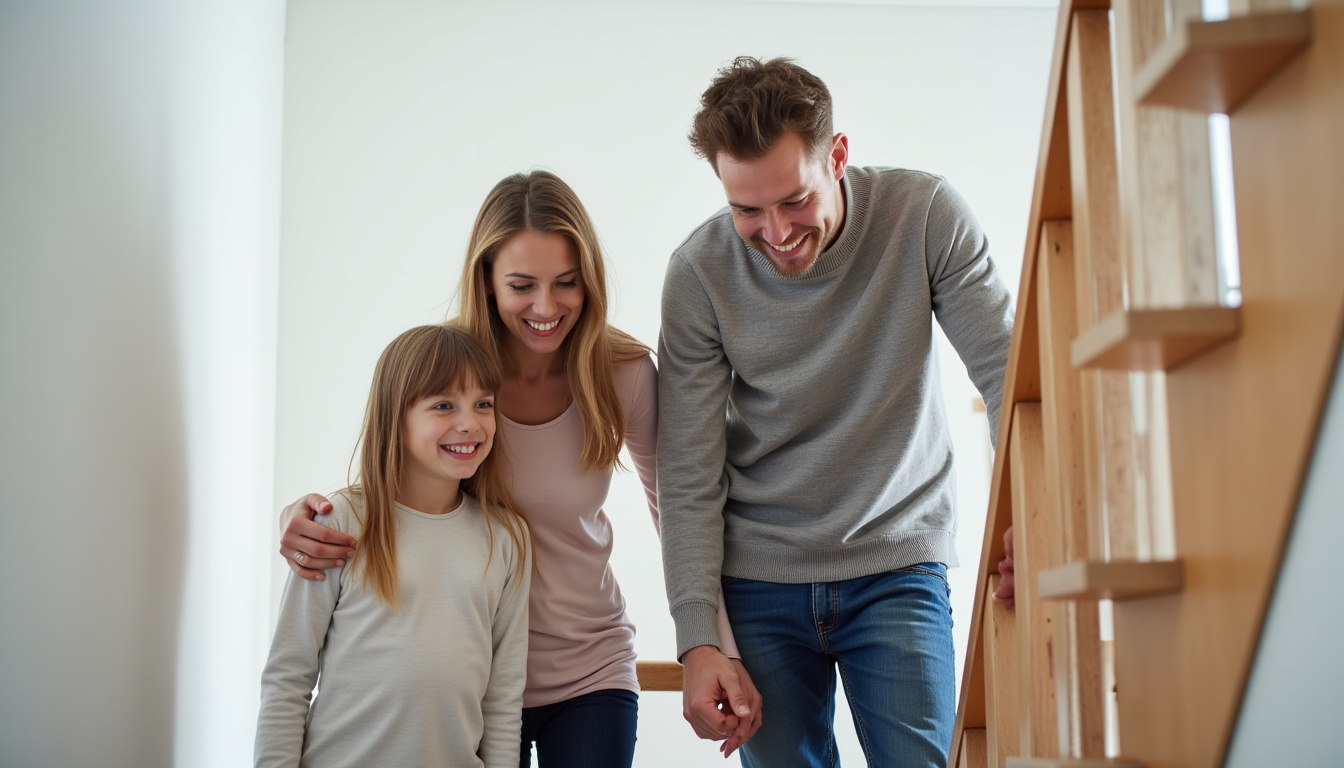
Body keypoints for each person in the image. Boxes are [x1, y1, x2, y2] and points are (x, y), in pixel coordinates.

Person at [273, 170, 754, 767]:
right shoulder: (450, 371)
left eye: (566, 283)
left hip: (589, 670)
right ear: (488, 281)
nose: (546, 307)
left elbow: (681, 512)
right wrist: (303, 515)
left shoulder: (622, 371)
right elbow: (391, 479)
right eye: (522, 285)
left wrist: (711, 647)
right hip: (469, 676)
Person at [657, 56, 1014, 767]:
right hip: (758, 579)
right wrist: (698, 640)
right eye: (746, 209)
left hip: (897, 562)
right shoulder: (698, 273)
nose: (775, 230)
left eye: (793, 200)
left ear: (839, 157)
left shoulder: (925, 217)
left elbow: (1008, 375)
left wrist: (1029, 517)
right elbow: (688, 470)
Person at [255, 324, 531, 768]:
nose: (471, 423)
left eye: (483, 404)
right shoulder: (339, 522)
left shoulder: (506, 539)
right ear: (394, 417)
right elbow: (289, 676)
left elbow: (502, 697)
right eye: (444, 405)